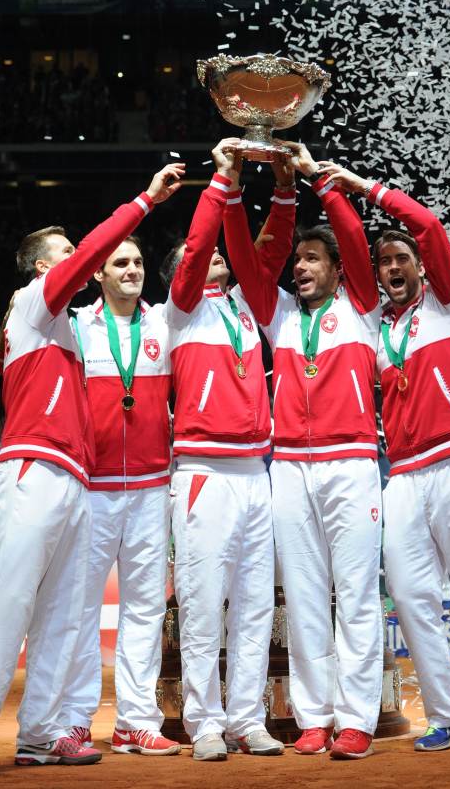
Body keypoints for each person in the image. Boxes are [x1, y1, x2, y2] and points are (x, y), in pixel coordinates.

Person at [0, 162, 184, 779]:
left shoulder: (72, 331)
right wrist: (145, 200)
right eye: (66, 254)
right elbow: (90, 260)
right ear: (42, 269)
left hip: (77, 479)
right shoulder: (32, 305)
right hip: (33, 468)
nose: (77, 258)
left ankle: (41, 733)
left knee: (63, 616)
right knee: (11, 601)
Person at [318, 161, 450, 756]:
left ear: (422, 266)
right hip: (401, 474)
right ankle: (446, 713)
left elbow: (427, 226)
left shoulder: (449, 304)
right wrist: (328, 195)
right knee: (408, 598)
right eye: (384, 263)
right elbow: (351, 251)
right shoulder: (378, 326)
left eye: (402, 259)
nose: (392, 268)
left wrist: (363, 187)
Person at [223, 143, 383, 761]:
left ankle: (358, 718)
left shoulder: (362, 309)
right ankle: (316, 717)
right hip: (288, 466)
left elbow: (351, 235)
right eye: (298, 260)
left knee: (356, 594)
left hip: (350, 463)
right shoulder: (280, 316)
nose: (300, 267)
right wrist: (239, 188)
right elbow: (242, 254)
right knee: (309, 596)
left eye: (314, 259)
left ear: (339, 269)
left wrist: (320, 181)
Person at [161, 138, 293, 761]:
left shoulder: (247, 308)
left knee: (253, 606)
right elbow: (195, 250)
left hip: (254, 472)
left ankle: (245, 717)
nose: (216, 257)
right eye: (204, 256)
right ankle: (204, 722)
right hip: (204, 471)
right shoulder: (180, 310)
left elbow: (267, 249)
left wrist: (281, 185)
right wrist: (218, 182)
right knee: (202, 602)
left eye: (220, 257)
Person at [63, 235, 180, 757]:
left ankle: (135, 720)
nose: (133, 269)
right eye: (120, 262)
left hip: (153, 486)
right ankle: (72, 719)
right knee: (80, 607)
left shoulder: (166, 324)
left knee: (145, 609)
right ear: (98, 274)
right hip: (94, 487)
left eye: (138, 261)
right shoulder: (77, 327)